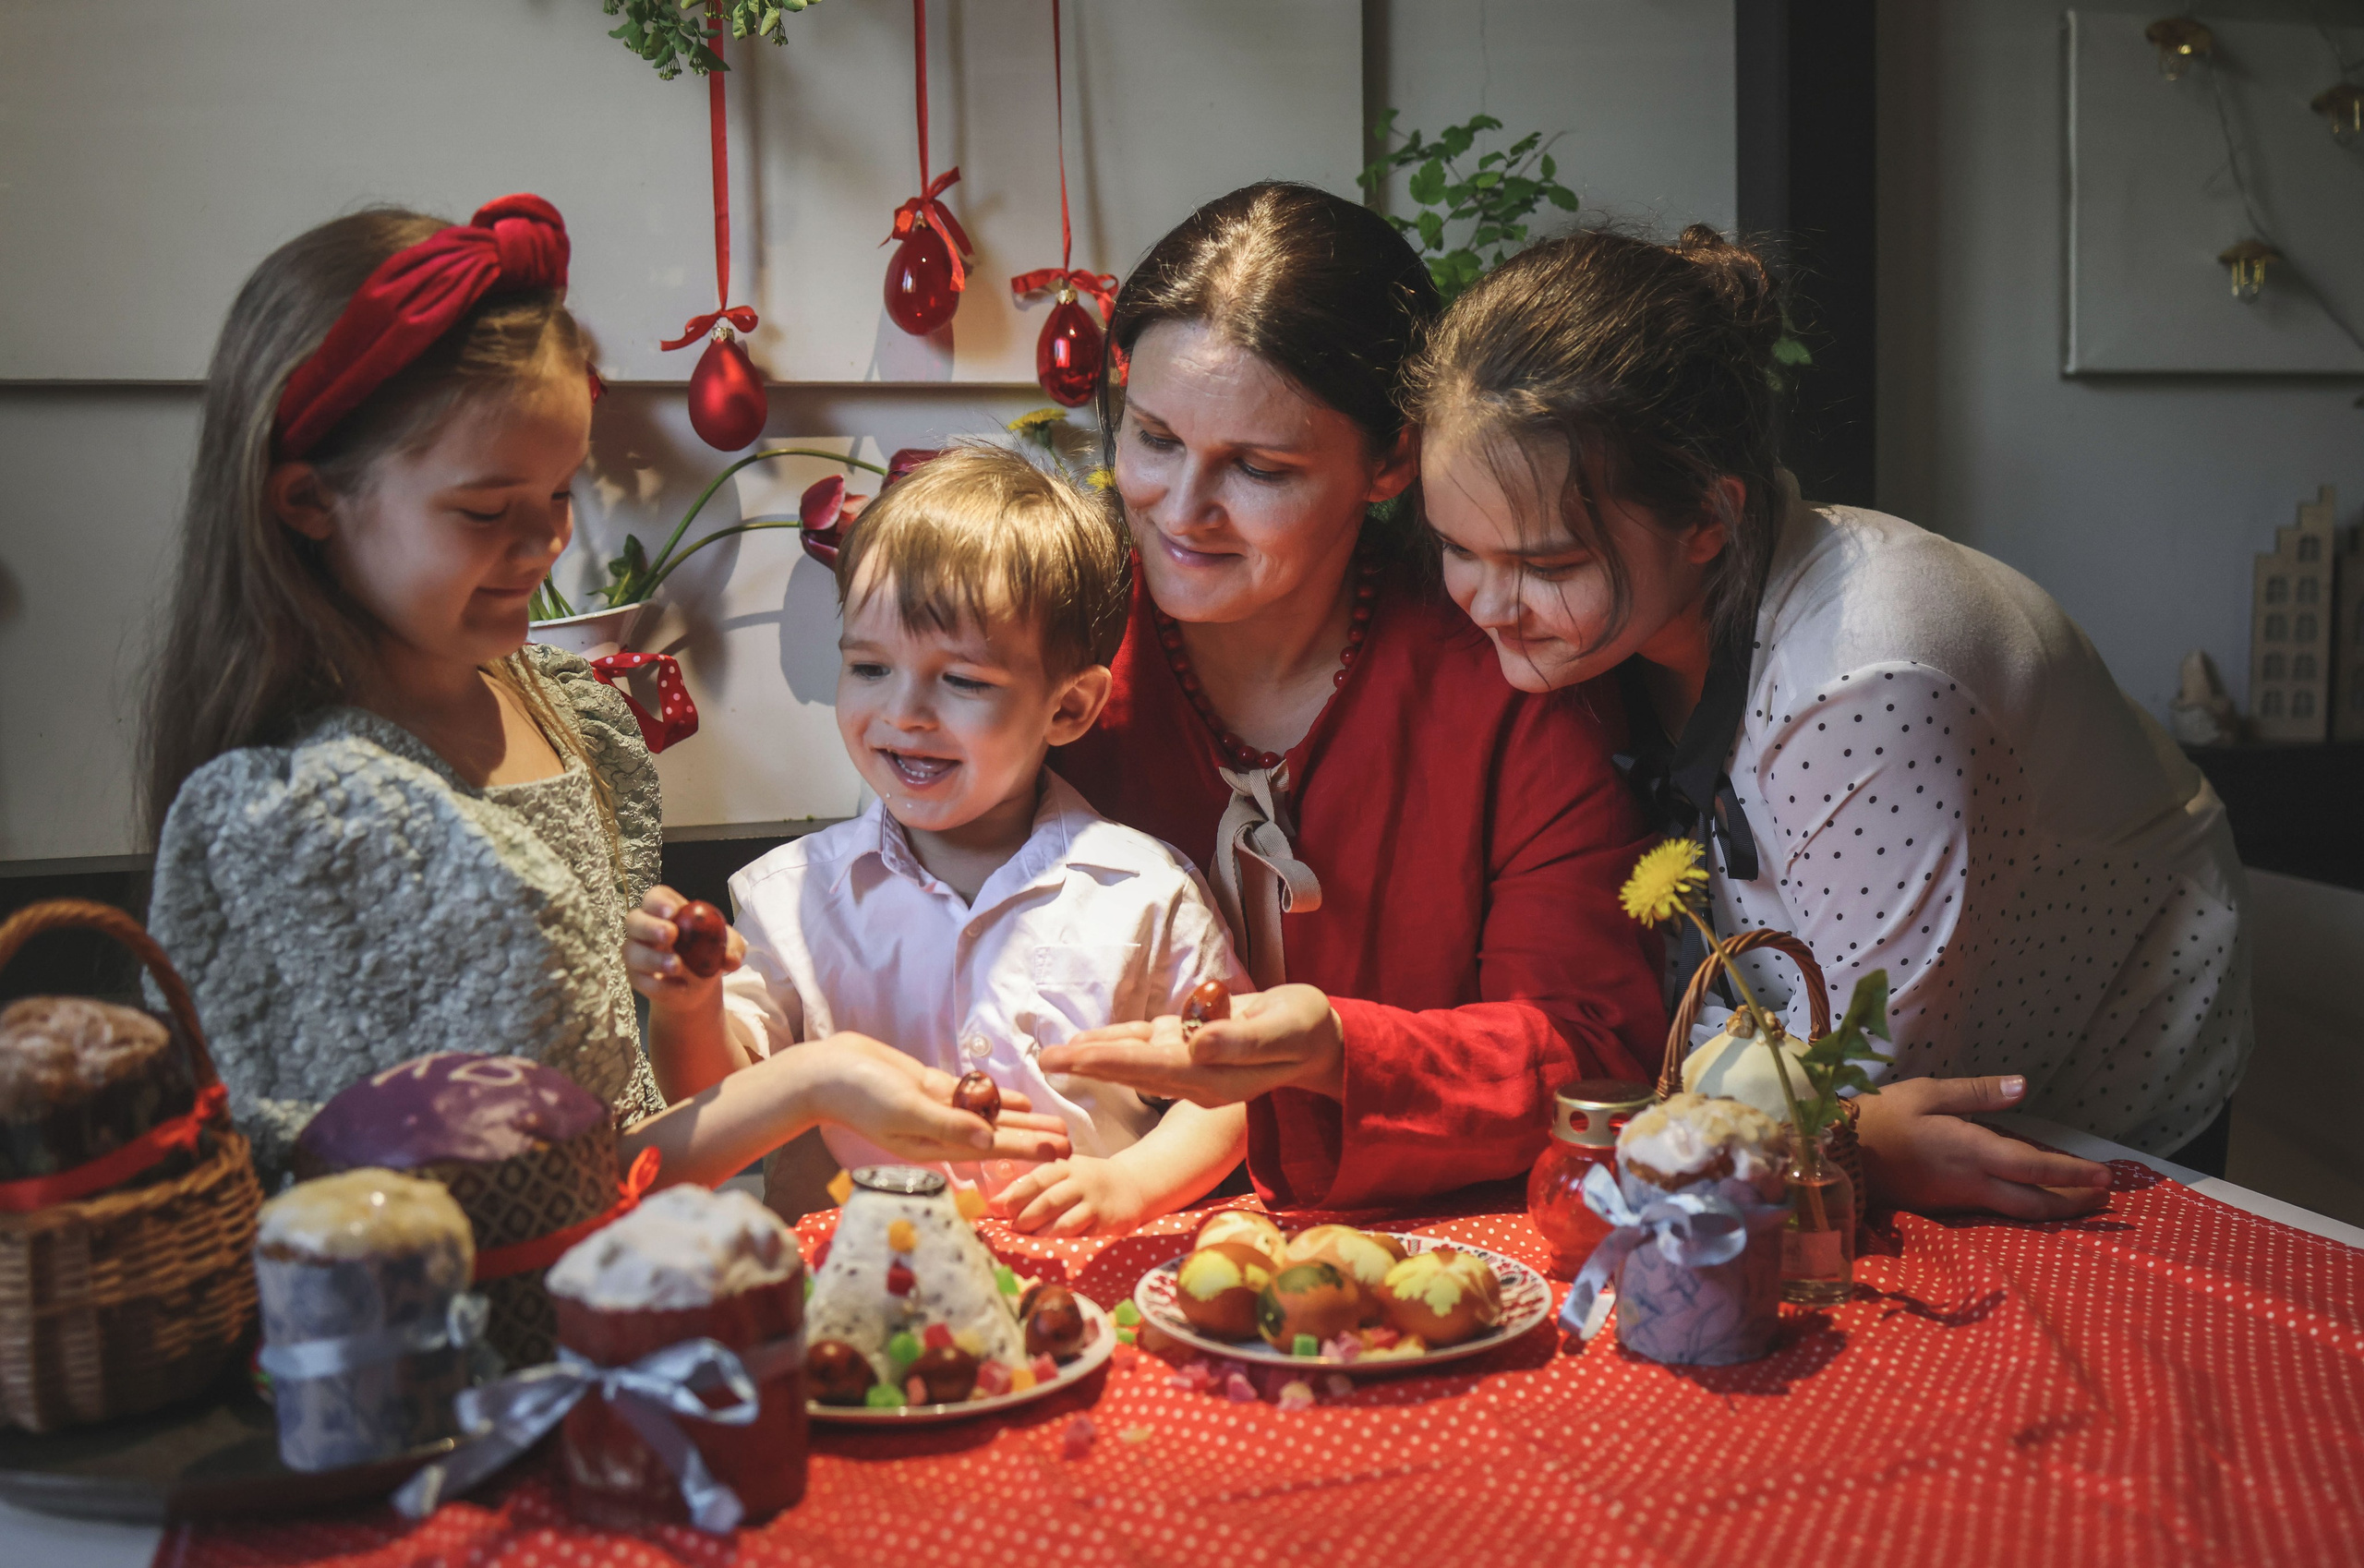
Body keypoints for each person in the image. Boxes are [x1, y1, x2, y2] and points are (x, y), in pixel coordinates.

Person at [142, 197, 1067, 1188]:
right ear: (310, 499)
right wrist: (813, 1082)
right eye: (485, 508)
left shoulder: (546, 705)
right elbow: (513, 1204)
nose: (542, 544)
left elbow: (619, 1098)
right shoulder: (308, 817)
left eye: (558, 495)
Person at [1403, 224, 2250, 1214]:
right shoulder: (1604, 632)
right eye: (1457, 548)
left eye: (1545, 566)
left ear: (1709, 519)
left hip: (2091, 1069)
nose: (1488, 605)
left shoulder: (1871, 679)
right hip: (1830, 1086)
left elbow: (1877, 1080)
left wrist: (1836, 1122)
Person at [1039, 184, 1668, 1211]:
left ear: (1391, 460)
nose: (1183, 511)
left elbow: (1594, 1050)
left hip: (1432, 1256)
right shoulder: (1045, 639)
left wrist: (1336, 1050)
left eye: (1257, 467)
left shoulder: (1508, 679)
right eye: (1152, 439)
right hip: (1078, 1219)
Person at [625, 446, 1249, 1236]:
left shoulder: (1143, 891)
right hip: (863, 1299)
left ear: (1069, 709)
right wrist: (688, 1002)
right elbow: (714, 1103)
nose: (906, 713)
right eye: (870, 667)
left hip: (1083, 1283)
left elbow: (1229, 1088)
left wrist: (1129, 1184)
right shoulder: (794, 898)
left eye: (963, 681)